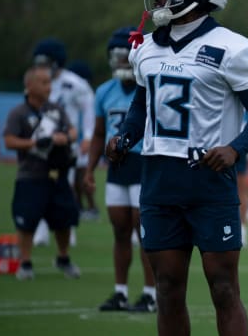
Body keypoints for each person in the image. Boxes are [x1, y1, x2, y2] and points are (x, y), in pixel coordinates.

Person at [105, 0, 248, 335]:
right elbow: (141, 105)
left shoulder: (233, 49)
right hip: (158, 180)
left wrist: (235, 149)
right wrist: (124, 137)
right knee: (166, 288)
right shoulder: (146, 48)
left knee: (223, 288)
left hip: (208, 180)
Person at [83, 27, 156, 312]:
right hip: (117, 166)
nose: (124, 62)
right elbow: (99, 133)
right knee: (120, 231)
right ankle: (121, 291)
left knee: (144, 232)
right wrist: (89, 169)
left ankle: (150, 293)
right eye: (118, 57)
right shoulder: (104, 91)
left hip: (142, 162)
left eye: (127, 56)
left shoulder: (149, 86)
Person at [3, 65, 81, 280]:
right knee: (26, 221)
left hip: (57, 174)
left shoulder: (55, 109)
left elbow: (73, 131)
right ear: (30, 86)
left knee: (64, 219)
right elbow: (8, 140)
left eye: (49, 82)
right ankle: (25, 262)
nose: (49, 87)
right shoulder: (18, 112)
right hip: (30, 175)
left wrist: (63, 138)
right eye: (44, 82)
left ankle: (63, 257)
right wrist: (33, 143)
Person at [31, 38, 95, 247]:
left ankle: (68, 229)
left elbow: (89, 108)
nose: (41, 67)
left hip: (65, 142)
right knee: (39, 184)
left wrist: (87, 135)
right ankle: (40, 230)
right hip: (41, 140)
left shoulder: (74, 83)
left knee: (64, 187)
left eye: (45, 62)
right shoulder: (35, 81)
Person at [68, 60, 99, 221]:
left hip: (86, 141)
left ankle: (92, 208)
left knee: (83, 176)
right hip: (77, 140)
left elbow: (92, 120)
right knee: (76, 178)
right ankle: (78, 207)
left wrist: (88, 138)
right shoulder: (72, 92)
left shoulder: (87, 94)